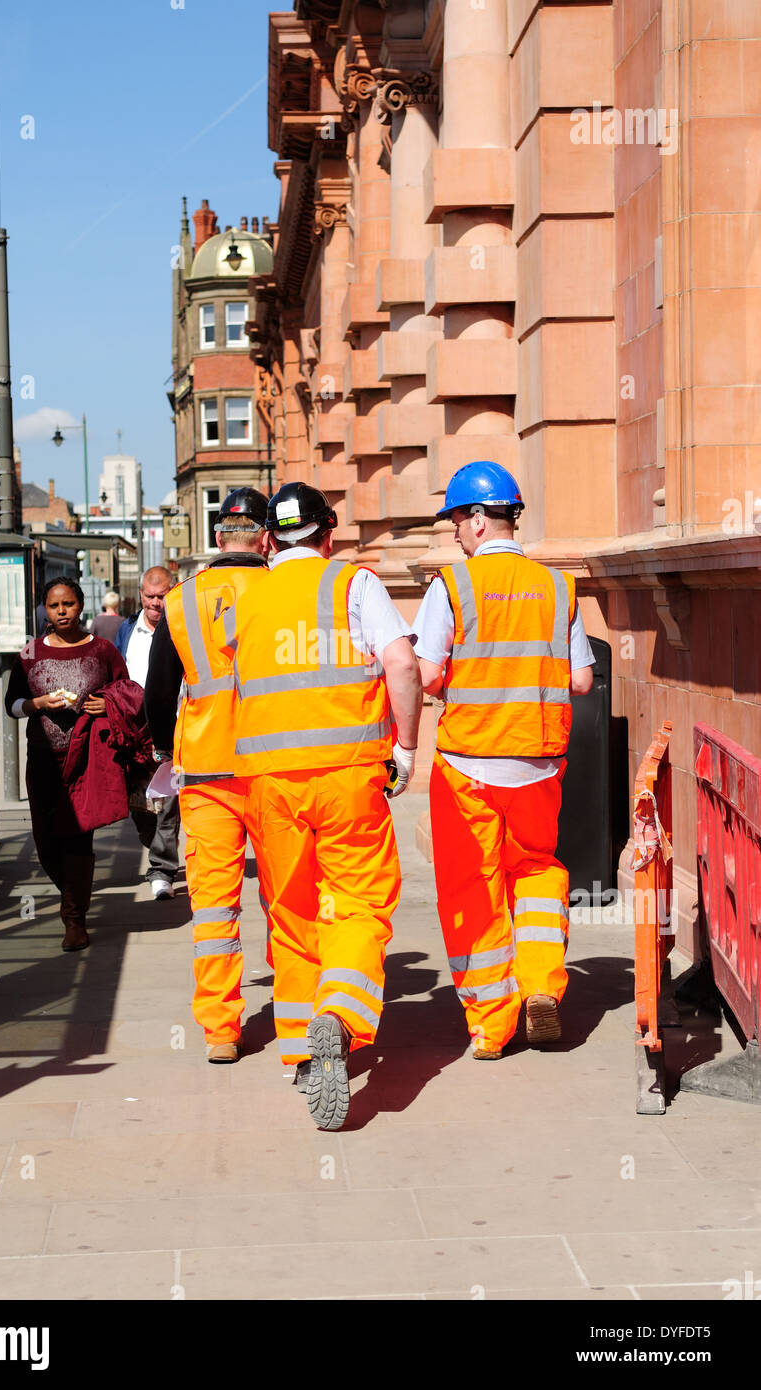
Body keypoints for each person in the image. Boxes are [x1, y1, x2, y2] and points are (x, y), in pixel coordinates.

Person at [219, 482, 422, 1130]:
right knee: (357, 904)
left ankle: (299, 1051)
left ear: (270, 541)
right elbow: (403, 666)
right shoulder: (353, 586)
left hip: (269, 785)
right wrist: (408, 749)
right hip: (348, 777)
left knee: (292, 912)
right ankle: (341, 1009)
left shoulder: (245, 601)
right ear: (328, 535)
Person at [413, 461, 595, 1060]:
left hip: (469, 762)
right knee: (537, 870)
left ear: (475, 519)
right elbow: (584, 679)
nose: (455, 536)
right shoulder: (558, 586)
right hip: (540, 760)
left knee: (473, 886)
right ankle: (542, 984)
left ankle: (493, 1025)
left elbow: (429, 672)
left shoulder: (452, 586)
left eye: (457, 523)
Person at [144, 488, 271, 1064]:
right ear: (265, 538)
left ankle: (221, 1030)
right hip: (274, 765)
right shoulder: (284, 591)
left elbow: (158, 692)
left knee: (215, 907)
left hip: (204, 769)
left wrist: (163, 749)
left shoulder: (180, 600)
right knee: (289, 898)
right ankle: (298, 1018)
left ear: (219, 537)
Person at [5, 577, 136, 951]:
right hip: (44, 761)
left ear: (81, 606)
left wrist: (106, 706)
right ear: (45, 609)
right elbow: (12, 704)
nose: (61, 612)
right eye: (53, 606)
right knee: (46, 841)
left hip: (87, 761)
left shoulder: (103, 650)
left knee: (78, 837)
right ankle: (74, 895)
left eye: (68, 604)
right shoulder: (30, 654)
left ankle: (74, 920)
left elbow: (125, 692)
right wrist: (38, 704)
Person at [115, 567, 182, 900]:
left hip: (173, 725)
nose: (156, 603)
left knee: (168, 801)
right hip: (134, 730)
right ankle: (156, 848)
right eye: (150, 596)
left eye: (162, 595)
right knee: (140, 806)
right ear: (140, 594)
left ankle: (162, 869)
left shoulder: (182, 626)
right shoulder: (127, 631)